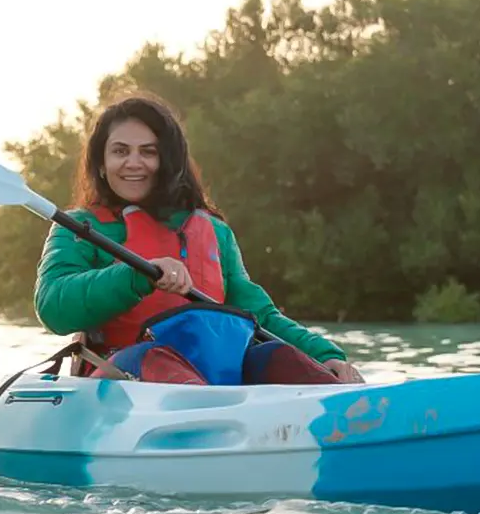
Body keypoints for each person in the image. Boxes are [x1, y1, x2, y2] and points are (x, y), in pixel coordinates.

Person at [33, 91, 364, 385]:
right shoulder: (78, 228)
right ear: (102, 164)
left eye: (148, 152)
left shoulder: (215, 231)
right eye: (120, 151)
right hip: (122, 374)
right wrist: (134, 276)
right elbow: (53, 306)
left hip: (212, 373)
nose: (134, 163)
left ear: (167, 160)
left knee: (281, 357)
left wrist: (323, 355)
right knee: (156, 359)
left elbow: (259, 314)